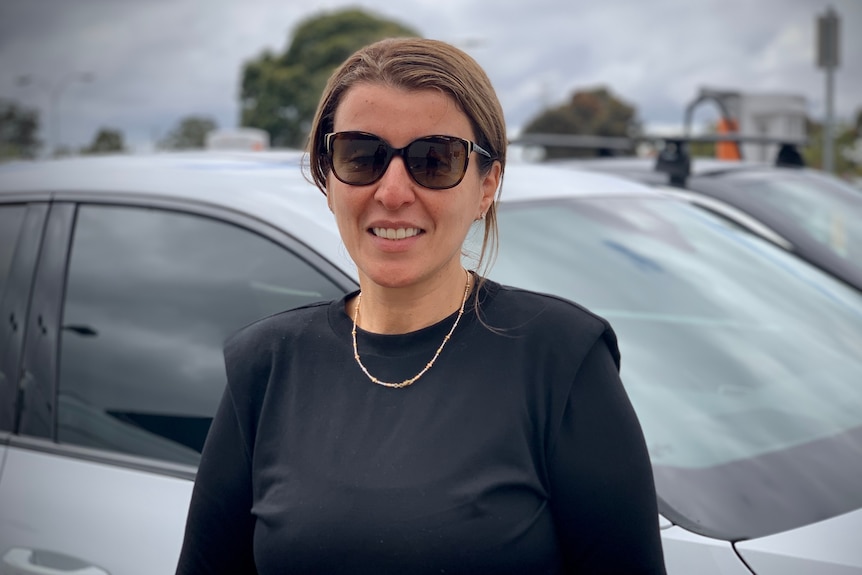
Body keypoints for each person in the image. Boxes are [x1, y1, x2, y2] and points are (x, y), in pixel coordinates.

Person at [176, 37, 666, 574]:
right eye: (361, 157)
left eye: (434, 161)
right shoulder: (265, 366)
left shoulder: (561, 360)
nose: (392, 191)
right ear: (327, 176)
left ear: (486, 187)